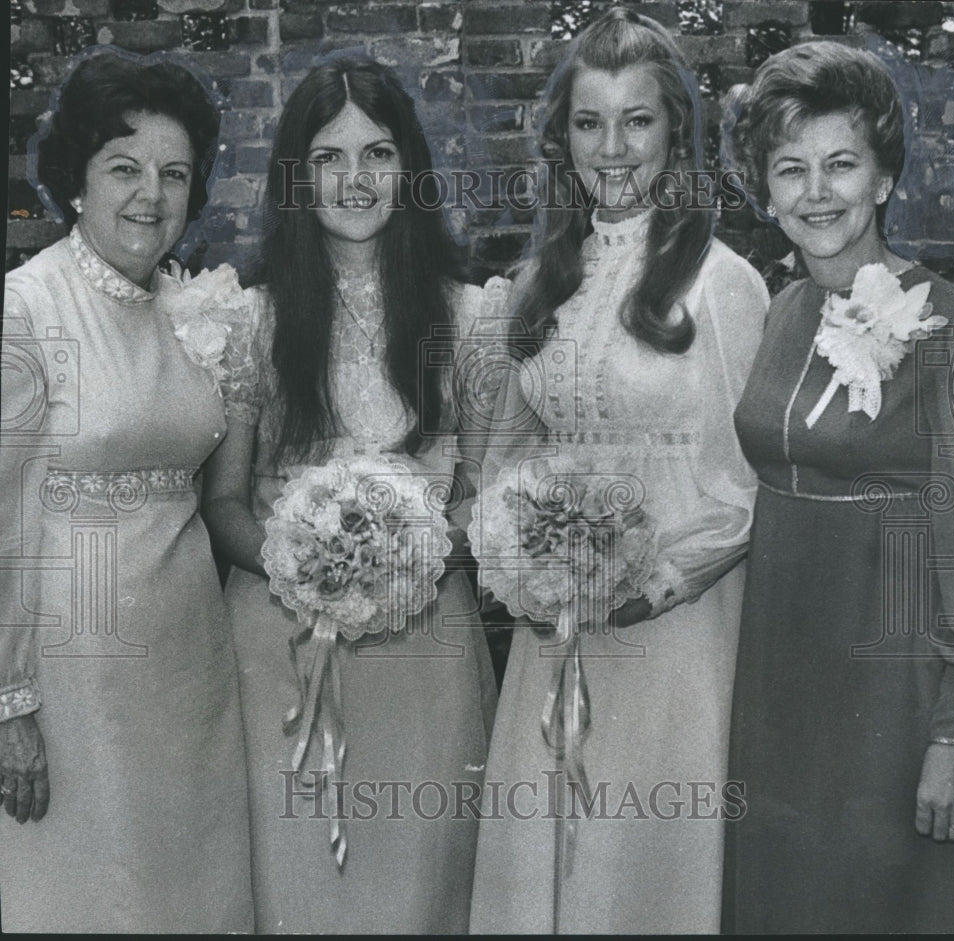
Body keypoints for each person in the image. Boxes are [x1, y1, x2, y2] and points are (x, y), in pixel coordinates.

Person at [467, 8, 769, 933]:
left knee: (639, 868)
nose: (613, 147)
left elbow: (748, 485)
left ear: (675, 127)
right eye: (589, 122)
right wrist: (512, 558)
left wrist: (651, 583)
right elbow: (516, 457)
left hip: (674, 628)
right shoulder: (543, 279)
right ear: (562, 136)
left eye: (637, 120)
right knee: (552, 865)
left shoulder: (721, 282)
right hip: (556, 626)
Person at [200, 55, 507, 934]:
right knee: (295, 881)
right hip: (280, 636)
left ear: (407, 166)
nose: (355, 179)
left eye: (376, 153)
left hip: (423, 633)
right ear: (296, 177)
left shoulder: (468, 316)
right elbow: (224, 502)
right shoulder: (251, 320)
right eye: (329, 158)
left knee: (418, 879)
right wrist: (312, 569)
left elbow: (478, 488)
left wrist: (402, 565)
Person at [721, 40, 954, 933]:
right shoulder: (781, 309)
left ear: (884, 178)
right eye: (790, 169)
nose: (816, 192)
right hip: (778, 686)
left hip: (899, 689)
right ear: (765, 194)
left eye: (842, 164)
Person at [0, 51, 254, 932]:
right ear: (76, 180)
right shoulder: (27, 310)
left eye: (174, 173)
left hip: (191, 660)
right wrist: (9, 703)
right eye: (124, 168)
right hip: (76, 668)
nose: (151, 194)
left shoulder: (190, 308)